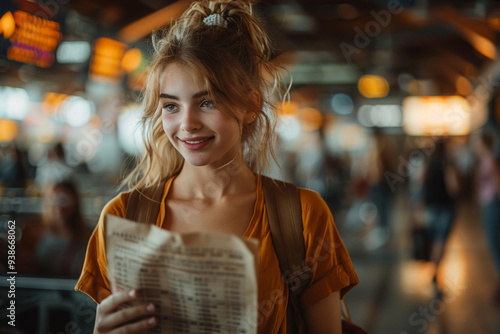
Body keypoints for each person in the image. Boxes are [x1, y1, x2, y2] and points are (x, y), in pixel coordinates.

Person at [75, 1, 359, 333]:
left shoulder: (302, 216)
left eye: (207, 102)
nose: (186, 124)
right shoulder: (123, 218)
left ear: (251, 105)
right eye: (171, 105)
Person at [422, 140, 459, 297]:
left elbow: (420, 184)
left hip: (430, 207)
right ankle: (436, 273)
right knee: (440, 241)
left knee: (435, 240)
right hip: (444, 207)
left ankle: (434, 271)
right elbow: (454, 187)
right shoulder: (448, 164)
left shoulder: (428, 164)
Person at [37, 179, 91, 276]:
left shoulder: (87, 237)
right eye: (54, 199)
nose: (58, 206)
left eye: (63, 199)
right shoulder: (36, 232)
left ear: (74, 202)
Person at [475, 131, 500, 304]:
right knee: (492, 243)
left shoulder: (491, 161)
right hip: (487, 205)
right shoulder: (484, 161)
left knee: (494, 243)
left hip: (492, 206)